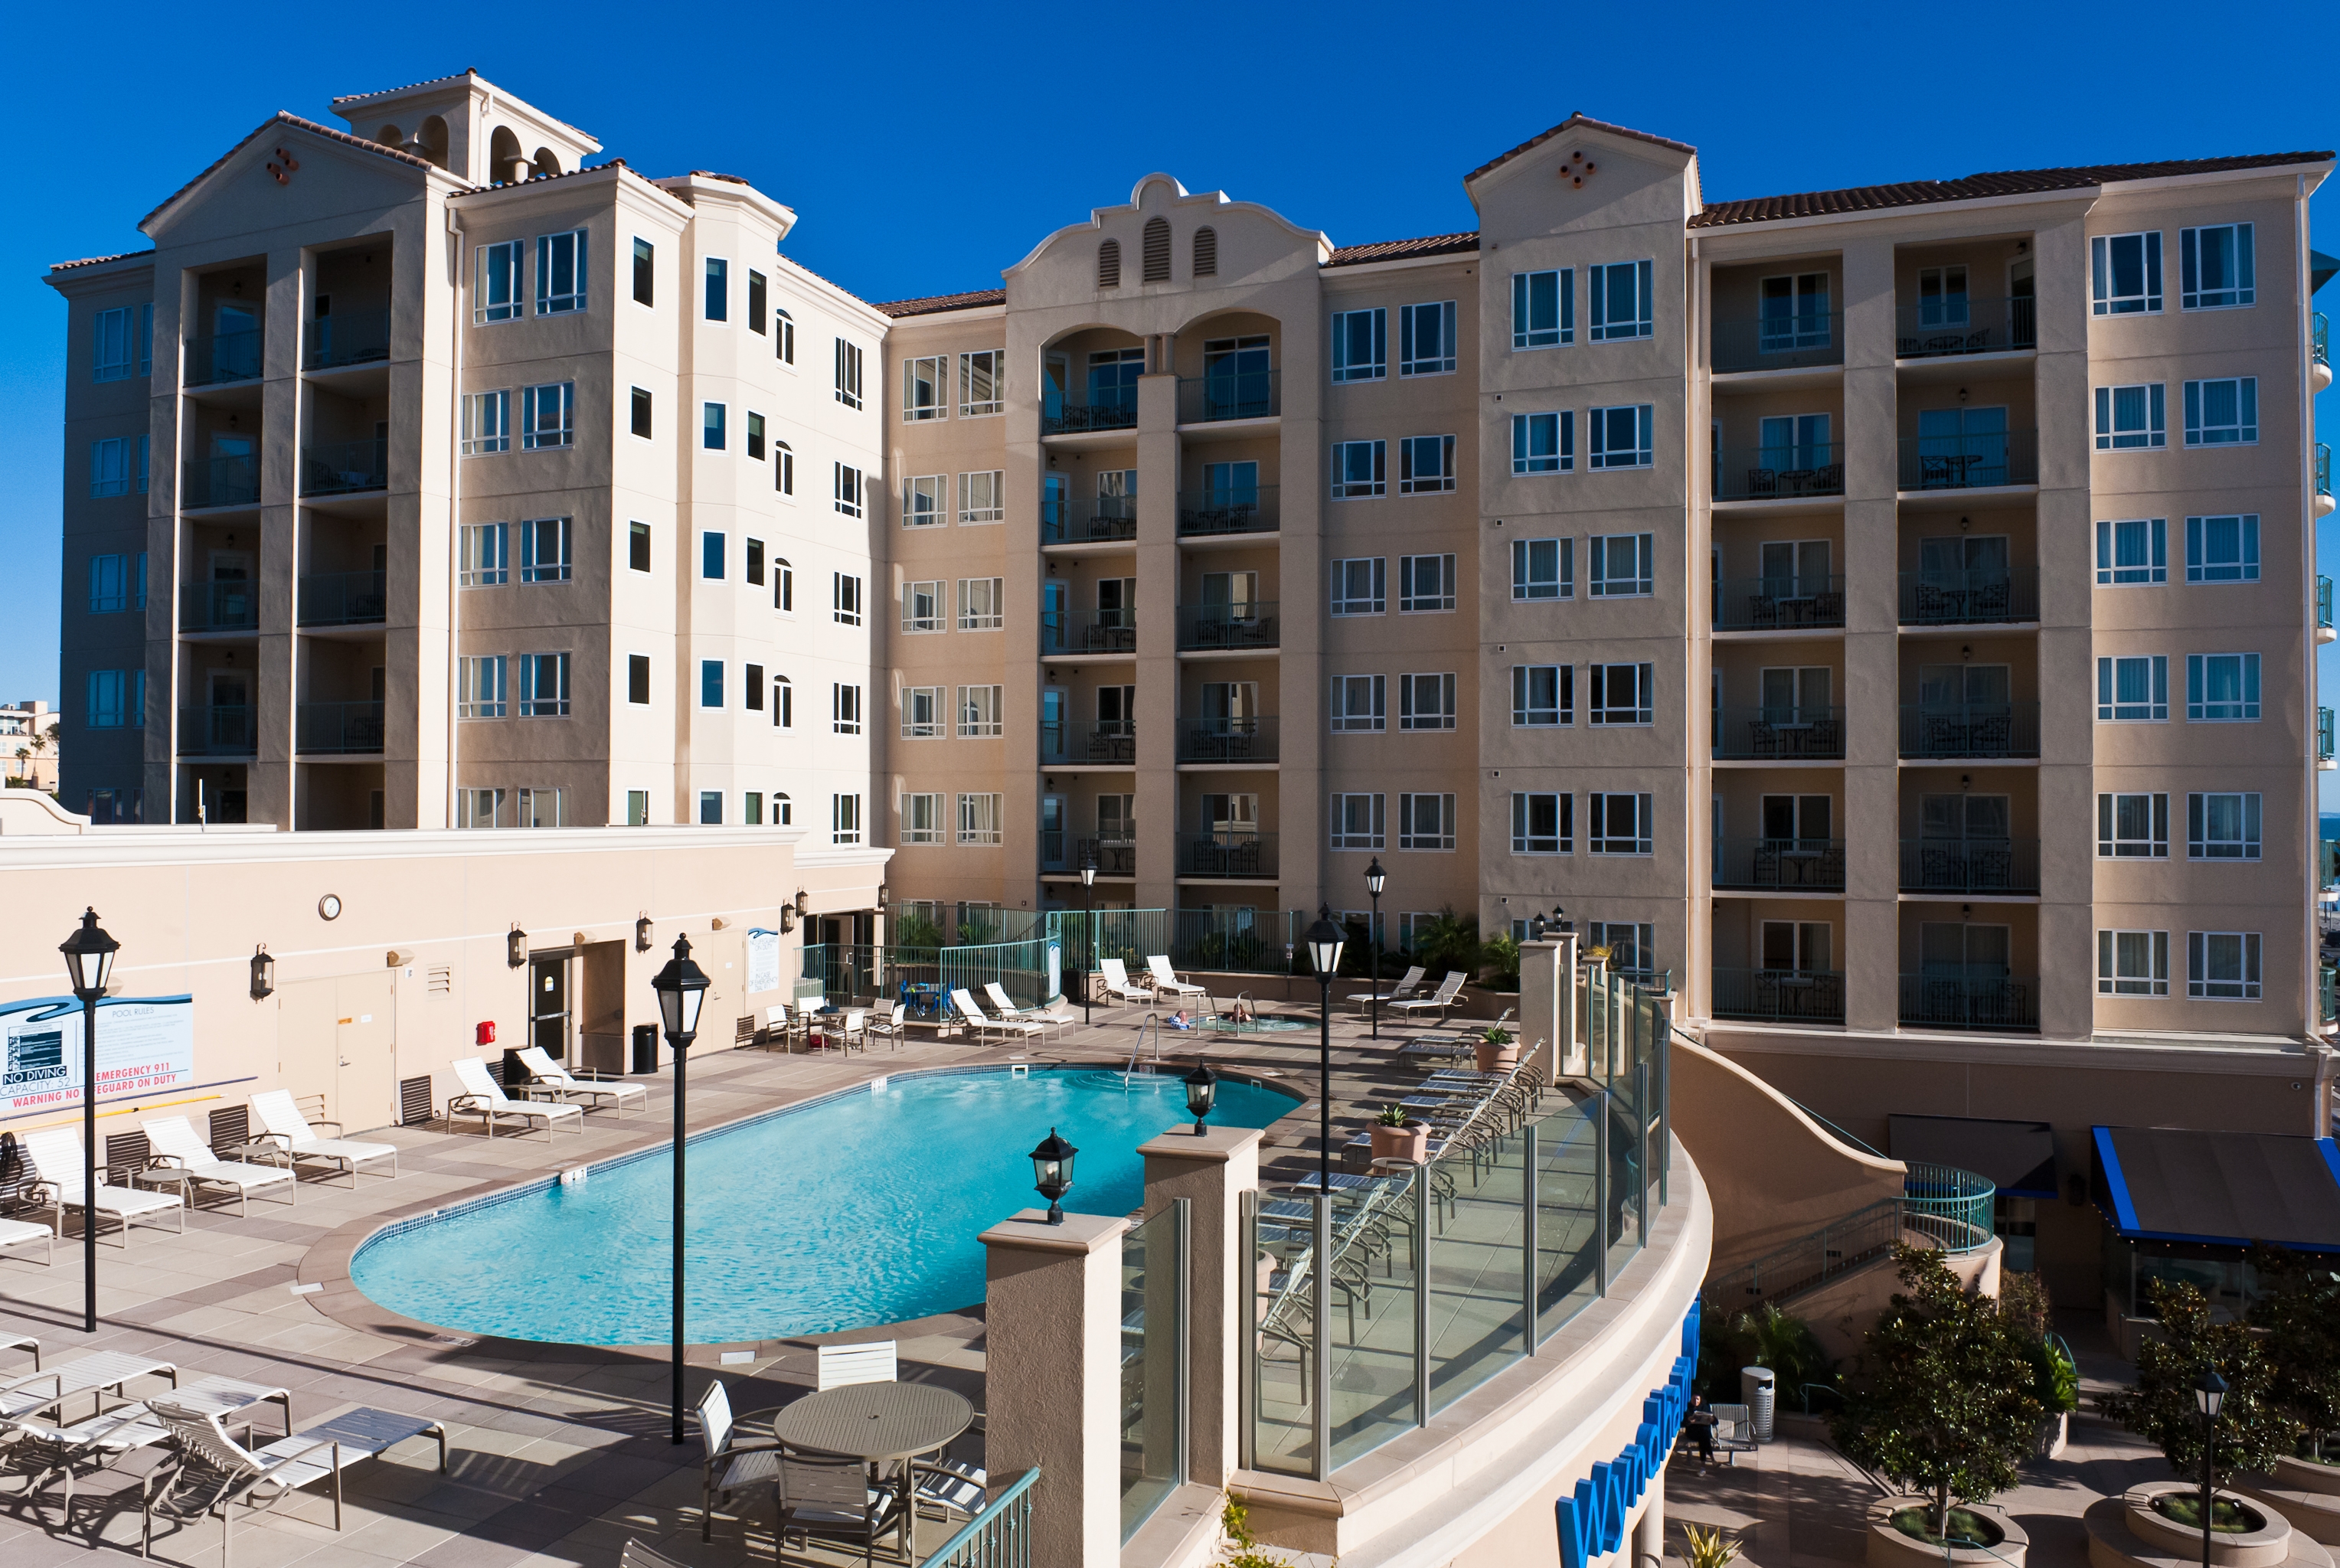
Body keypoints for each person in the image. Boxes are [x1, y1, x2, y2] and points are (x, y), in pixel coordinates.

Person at [1685, 1393, 1717, 1468]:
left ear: (1700, 1400)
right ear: (1690, 1399)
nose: (1696, 1401)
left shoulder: (1705, 1407)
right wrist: (1689, 1421)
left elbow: (1716, 1422)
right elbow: (1683, 1423)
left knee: (1703, 1438)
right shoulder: (1687, 1408)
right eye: (1694, 1399)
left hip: (1703, 1433)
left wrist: (1712, 1420)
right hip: (1692, 1433)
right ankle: (1712, 1460)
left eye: (1698, 1399)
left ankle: (1703, 1466)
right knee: (1704, 1438)